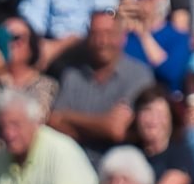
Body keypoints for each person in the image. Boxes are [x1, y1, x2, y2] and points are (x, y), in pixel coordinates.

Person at [50, 10, 155, 156]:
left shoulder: (139, 75)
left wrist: (68, 117)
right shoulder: (72, 75)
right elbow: (54, 122)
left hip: (120, 164)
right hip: (75, 160)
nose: (101, 41)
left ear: (123, 37)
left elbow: (116, 130)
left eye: (109, 33)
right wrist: (103, 124)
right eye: (95, 34)